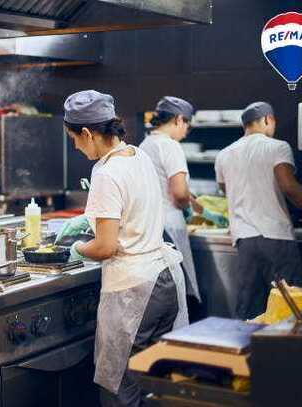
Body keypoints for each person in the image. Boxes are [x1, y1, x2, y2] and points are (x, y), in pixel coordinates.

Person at [58, 90, 188, 407]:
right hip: (165, 279)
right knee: (152, 384)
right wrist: (89, 220)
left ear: (87, 133)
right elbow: (132, 210)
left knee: (120, 388)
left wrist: (77, 247)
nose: (75, 146)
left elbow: (105, 247)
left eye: (74, 138)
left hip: (134, 291)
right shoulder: (136, 155)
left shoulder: (105, 172)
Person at [215, 101, 302, 320]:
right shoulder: (277, 147)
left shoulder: (224, 154)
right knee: (288, 308)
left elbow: (226, 190)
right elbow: (289, 186)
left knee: (249, 311)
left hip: (245, 240)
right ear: (267, 120)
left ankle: (249, 353)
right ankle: (285, 354)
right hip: (276, 238)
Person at [139, 96, 201, 309]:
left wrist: (192, 201)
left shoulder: (145, 144)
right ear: (178, 119)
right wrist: (188, 208)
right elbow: (179, 192)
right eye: (187, 124)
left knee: (163, 289)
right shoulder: (171, 146)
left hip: (151, 225)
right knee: (179, 288)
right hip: (171, 226)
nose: (186, 130)